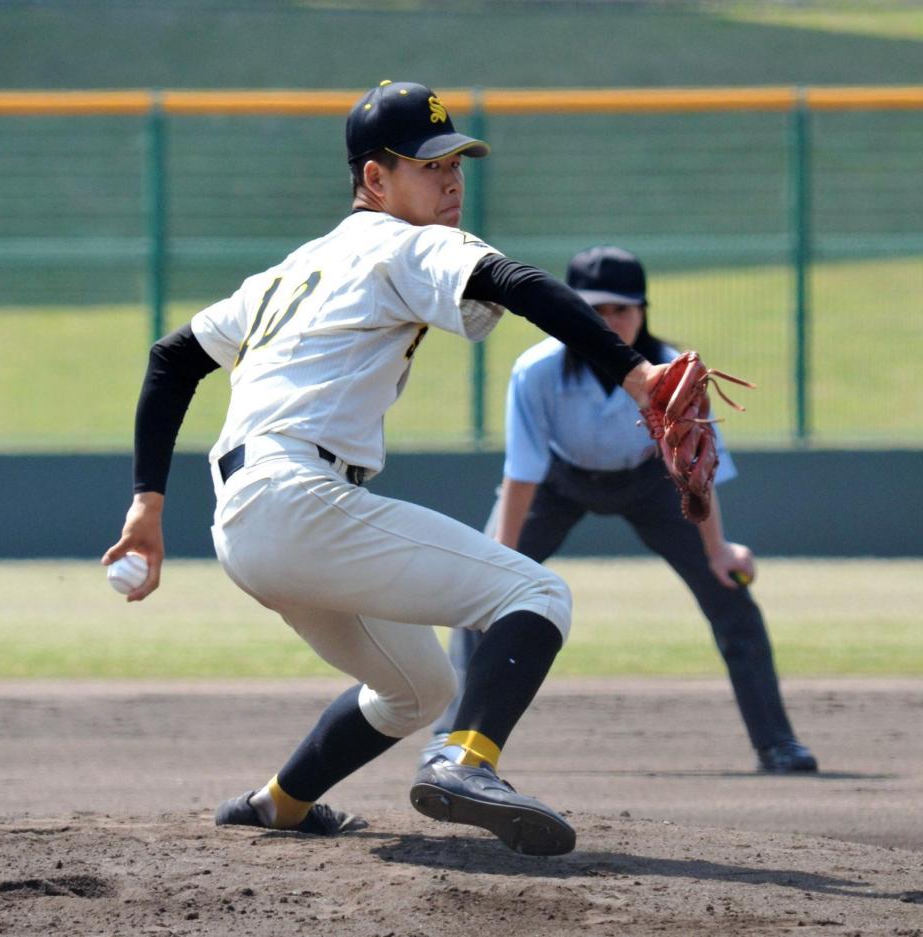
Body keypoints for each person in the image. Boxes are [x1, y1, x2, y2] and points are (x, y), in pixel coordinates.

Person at [102, 81, 677, 857]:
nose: (452, 180)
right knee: (536, 592)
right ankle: (464, 761)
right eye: (429, 164)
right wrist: (638, 374)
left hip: (248, 522)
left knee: (420, 688)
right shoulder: (404, 242)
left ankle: (277, 804)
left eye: (457, 163)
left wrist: (146, 503)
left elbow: (173, 358)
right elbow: (517, 283)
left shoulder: (291, 271)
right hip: (300, 501)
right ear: (375, 178)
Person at [420, 245, 818, 775]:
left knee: (731, 597)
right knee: (482, 593)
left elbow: (696, 472)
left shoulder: (673, 372)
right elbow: (523, 472)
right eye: (594, 310)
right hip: (556, 484)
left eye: (621, 309)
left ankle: (777, 743)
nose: (609, 320)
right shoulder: (536, 370)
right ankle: (450, 738)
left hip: (652, 483)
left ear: (643, 311)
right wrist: (501, 559)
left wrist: (718, 549)